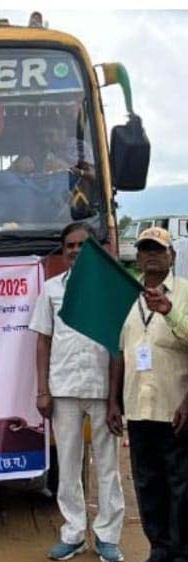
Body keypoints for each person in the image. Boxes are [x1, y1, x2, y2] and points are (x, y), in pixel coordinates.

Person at [28, 222, 125, 562]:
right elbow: (43, 340)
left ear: (93, 251)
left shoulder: (109, 290)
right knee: (67, 467)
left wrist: (115, 400)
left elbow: (117, 346)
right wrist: (42, 391)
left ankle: (108, 537)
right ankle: (73, 534)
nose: (75, 251)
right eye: (69, 245)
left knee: (108, 467)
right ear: (63, 250)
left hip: (102, 390)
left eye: (82, 245)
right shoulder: (51, 289)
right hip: (63, 388)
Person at [108, 226, 188, 562]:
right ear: (137, 257)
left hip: (176, 408)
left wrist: (170, 311)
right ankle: (159, 548)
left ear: (172, 255)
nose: (151, 255)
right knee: (147, 483)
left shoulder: (185, 293)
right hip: (138, 408)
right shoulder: (127, 295)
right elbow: (119, 350)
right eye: (145, 249)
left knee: (181, 485)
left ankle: (181, 552)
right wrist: (113, 401)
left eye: (158, 249)